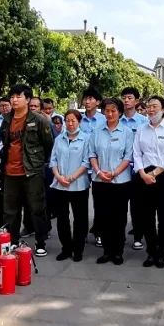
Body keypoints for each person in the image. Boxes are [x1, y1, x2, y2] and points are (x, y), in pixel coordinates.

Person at [0, 84, 55, 257]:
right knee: (10, 211)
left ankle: (40, 242)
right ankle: (12, 241)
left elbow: (48, 145)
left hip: (32, 171)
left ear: (28, 99)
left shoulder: (39, 120)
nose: (14, 100)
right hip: (10, 172)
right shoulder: (7, 119)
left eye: (18, 96)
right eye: (12, 97)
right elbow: (5, 143)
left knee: (37, 208)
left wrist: (38, 163)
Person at [132, 96, 164, 268]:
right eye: (149, 106)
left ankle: (161, 253)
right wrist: (143, 174)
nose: (151, 110)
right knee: (147, 217)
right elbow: (136, 153)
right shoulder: (141, 129)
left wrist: (154, 173)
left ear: (163, 109)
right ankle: (151, 251)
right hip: (144, 177)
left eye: (155, 106)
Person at [89, 97, 134, 265]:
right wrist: (99, 172)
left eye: (113, 110)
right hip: (100, 181)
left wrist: (114, 172)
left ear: (120, 112)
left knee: (119, 217)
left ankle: (118, 252)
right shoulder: (97, 131)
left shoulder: (127, 132)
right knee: (103, 216)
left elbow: (128, 156)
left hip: (120, 182)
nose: (110, 114)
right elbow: (92, 154)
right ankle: (107, 251)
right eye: (107, 111)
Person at [49, 110, 91, 261]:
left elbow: (87, 161)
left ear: (79, 122)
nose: (70, 123)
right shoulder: (59, 139)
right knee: (62, 218)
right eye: (67, 120)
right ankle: (66, 248)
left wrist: (72, 177)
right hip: (60, 184)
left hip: (79, 184)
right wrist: (58, 176)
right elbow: (53, 160)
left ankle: (78, 249)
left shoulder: (86, 139)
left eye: (73, 120)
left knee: (80, 218)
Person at [119, 87, 148, 250]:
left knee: (138, 206)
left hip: (138, 170)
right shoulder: (117, 120)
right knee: (121, 206)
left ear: (136, 101)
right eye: (124, 97)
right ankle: (119, 236)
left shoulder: (144, 122)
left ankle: (138, 236)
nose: (126, 100)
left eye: (130, 97)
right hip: (120, 170)